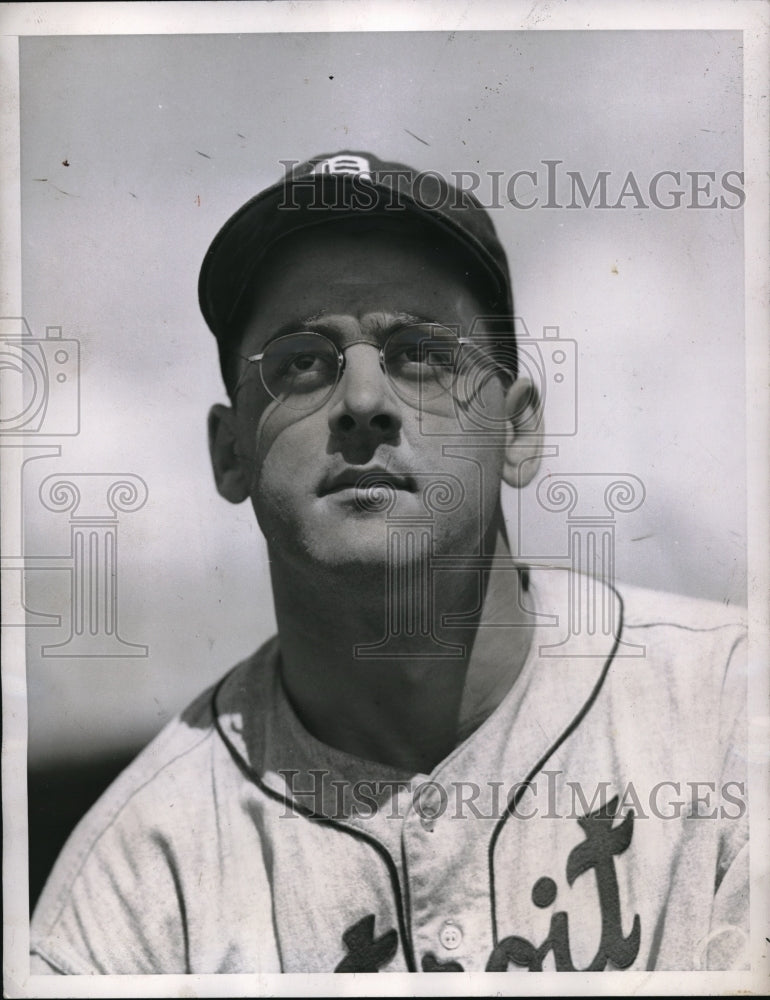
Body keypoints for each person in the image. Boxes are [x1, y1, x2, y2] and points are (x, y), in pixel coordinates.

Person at [30, 151, 748, 974]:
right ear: (230, 454)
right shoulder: (132, 886)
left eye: (419, 354)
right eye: (301, 362)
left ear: (516, 432)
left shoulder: (732, 717)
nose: (363, 404)